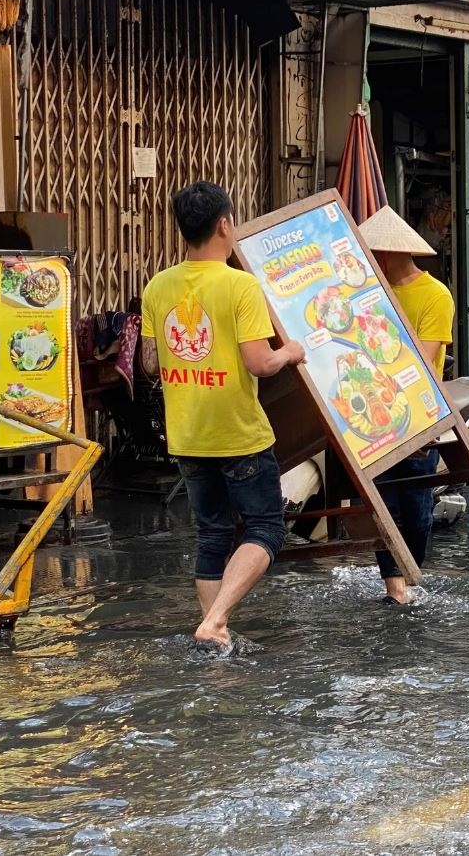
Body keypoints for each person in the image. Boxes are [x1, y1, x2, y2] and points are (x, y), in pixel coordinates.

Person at [140, 181, 305, 655]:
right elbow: (259, 363)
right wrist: (289, 351)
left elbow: (151, 363)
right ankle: (215, 621)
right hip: (238, 433)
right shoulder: (240, 285)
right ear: (224, 224)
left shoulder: (158, 286)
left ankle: (216, 637)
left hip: (188, 434)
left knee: (212, 531)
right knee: (266, 529)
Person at [358, 205, 455, 606]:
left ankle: (410, 577)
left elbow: (423, 358)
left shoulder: (435, 295)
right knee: (383, 505)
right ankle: (394, 587)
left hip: (417, 416)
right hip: (369, 415)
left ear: (385, 254)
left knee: (416, 508)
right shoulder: (365, 294)